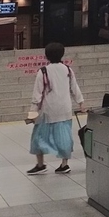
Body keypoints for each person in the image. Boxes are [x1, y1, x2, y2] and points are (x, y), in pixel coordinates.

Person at [26, 42, 84, 175]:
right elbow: (74, 88)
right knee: (64, 138)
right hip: (65, 110)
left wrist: (33, 112)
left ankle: (40, 165)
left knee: (38, 138)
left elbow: (37, 94)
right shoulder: (68, 70)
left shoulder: (43, 71)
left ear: (46, 55)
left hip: (47, 111)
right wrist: (81, 102)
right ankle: (64, 164)